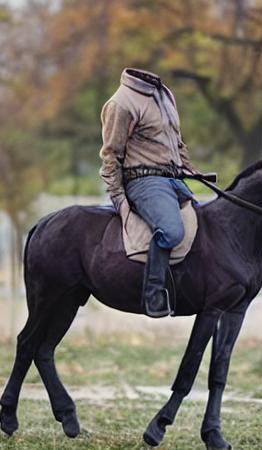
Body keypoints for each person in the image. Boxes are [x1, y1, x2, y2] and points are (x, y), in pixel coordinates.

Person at [99, 67, 202, 318]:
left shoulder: (164, 93)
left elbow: (176, 142)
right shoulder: (120, 103)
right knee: (171, 231)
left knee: (206, 224)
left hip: (173, 179)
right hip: (143, 180)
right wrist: (118, 196)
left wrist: (191, 169)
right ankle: (153, 294)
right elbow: (111, 154)